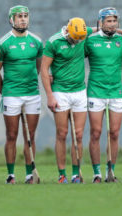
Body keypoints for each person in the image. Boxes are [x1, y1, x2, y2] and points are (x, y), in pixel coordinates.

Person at [0, 5, 43, 184]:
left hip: (32, 94)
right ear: (11, 19)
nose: (23, 19)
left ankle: (30, 174)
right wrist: (4, 90)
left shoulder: (36, 41)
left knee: (30, 135)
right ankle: (11, 174)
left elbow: (38, 66)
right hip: (12, 94)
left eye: (25, 16)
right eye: (19, 16)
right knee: (11, 135)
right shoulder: (3, 42)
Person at [85, 7, 122, 183]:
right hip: (95, 92)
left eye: (115, 21)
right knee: (96, 133)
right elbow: (74, 59)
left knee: (114, 133)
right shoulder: (90, 41)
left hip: (116, 92)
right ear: (100, 22)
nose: (112, 25)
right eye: (108, 21)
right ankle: (97, 173)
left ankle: (110, 172)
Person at [41, 17, 88, 184]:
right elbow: (44, 69)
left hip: (80, 92)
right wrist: (50, 95)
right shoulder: (54, 42)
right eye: (75, 37)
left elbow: (101, 30)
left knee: (79, 135)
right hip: (60, 92)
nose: (78, 41)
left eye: (80, 38)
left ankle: (76, 174)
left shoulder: (83, 34)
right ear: (68, 30)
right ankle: (62, 174)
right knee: (62, 134)